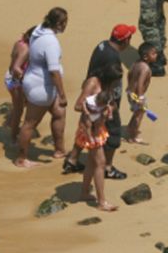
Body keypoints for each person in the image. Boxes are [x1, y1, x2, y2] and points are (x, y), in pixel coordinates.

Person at [79, 23, 136, 179]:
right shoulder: (112, 58)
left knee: (84, 129)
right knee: (114, 135)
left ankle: (72, 159)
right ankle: (107, 168)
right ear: (125, 40)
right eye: (130, 37)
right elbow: (109, 82)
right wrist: (110, 105)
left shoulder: (102, 45)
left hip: (93, 99)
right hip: (104, 103)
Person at [16, 8, 69, 167]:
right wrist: (62, 94)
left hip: (36, 81)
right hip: (42, 87)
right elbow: (54, 71)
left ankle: (59, 150)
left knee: (59, 113)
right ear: (59, 24)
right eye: (65, 22)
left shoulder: (39, 29)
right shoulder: (51, 42)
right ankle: (21, 158)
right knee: (30, 123)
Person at [63, 64, 123, 177]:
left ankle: (72, 161)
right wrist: (96, 111)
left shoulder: (109, 85)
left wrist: (109, 109)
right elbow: (77, 106)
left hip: (99, 120)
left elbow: (111, 102)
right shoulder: (93, 83)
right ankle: (105, 169)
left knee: (82, 140)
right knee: (93, 150)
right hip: (90, 119)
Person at [77, 89, 118, 212]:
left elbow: (111, 107)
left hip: (91, 129)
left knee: (91, 161)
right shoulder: (94, 90)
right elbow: (80, 105)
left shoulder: (101, 95)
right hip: (90, 131)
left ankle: (84, 192)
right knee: (100, 163)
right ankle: (101, 202)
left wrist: (106, 113)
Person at [4, 26, 36, 143]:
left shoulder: (19, 42)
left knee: (21, 103)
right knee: (19, 109)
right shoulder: (27, 49)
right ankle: (13, 137)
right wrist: (25, 79)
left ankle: (9, 122)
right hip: (15, 80)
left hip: (9, 77)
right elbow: (16, 68)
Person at [125, 42, 157, 144]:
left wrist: (130, 87)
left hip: (130, 93)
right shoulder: (145, 68)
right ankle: (132, 136)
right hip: (137, 95)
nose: (156, 55)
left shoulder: (136, 63)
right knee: (139, 114)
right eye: (153, 53)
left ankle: (130, 128)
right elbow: (140, 83)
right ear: (145, 57)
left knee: (137, 113)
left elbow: (129, 74)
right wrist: (141, 97)